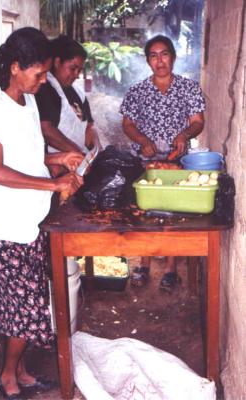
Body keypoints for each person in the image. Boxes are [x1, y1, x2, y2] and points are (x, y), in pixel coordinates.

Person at [0, 27, 84, 400]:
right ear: (15, 67)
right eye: (38, 73)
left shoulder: (29, 100)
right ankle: (8, 378)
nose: (44, 80)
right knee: (24, 310)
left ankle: (22, 371)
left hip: (29, 224)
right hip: (2, 227)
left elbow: (26, 159)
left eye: (46, 73)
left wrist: (58, 159)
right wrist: (53, 185)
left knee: (21, 309)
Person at [120, 34, 205, 291]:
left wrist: (185, 134)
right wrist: (141, 139)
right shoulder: (137, 91)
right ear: (148, 61)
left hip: (176, 163)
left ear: (173, 57)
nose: (160, 61)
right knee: (145, 213)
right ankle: (143, 265)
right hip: (145, 164)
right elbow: (128, 124)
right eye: (154, 56)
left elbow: (198, 121)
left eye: (164, 54)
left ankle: (170, 269)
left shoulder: (189, 88)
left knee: (172, 213)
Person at [35, 34, 101, 158]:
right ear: (57, 62)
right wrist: (78, 154)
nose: (76, 75)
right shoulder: (45, 88)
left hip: (79, 159)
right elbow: (47, 130)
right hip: (56, 162)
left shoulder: (78, 92)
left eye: (79, 70)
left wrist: (96, 149)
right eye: (72, 68)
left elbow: (89, 126)